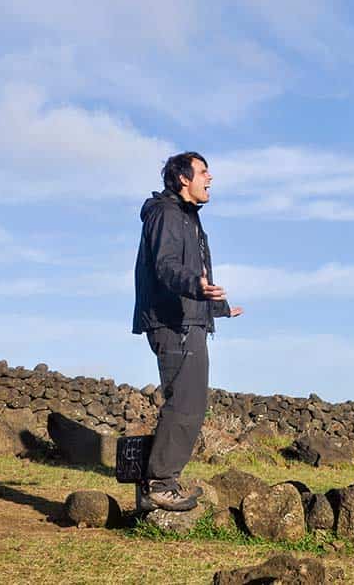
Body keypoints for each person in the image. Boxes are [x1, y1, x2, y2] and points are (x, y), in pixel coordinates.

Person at [132, 151, 243, 511]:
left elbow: (197, 276)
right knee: (185, 403)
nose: (210, 178)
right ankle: (159, 484)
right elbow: (165, 266)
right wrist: (196, 286)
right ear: (183, 178)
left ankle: (158, 482)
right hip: (173, 322)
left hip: (189, 319)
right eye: (203, 171)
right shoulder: (166, 214)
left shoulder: (188, 217)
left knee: (190, 402)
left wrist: (218, 307)